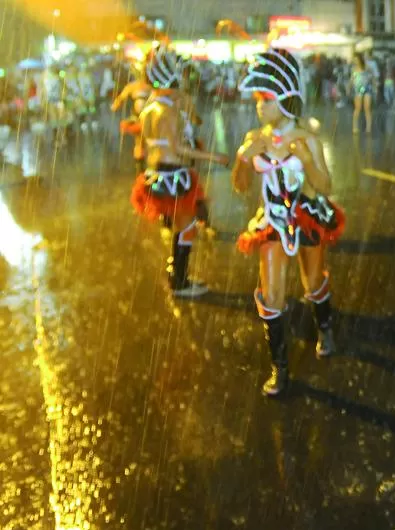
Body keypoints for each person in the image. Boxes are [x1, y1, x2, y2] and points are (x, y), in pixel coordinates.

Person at [234, 48, 346, 397]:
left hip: (306, 215)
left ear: (284, 99)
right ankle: (280, 368)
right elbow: (240, 186)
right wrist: (242, 160)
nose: (258, 105)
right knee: (272, 295)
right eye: (256, 99)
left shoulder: (306, 137)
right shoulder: (255, 139)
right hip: (271, 220)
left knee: (312, 282)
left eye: (264, 98)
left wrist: (305, 160)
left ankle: (324, 326)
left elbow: (325, 185)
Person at [129, 46, 229, 298]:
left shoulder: (150, 108)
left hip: (156, 173)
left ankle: (177, 275)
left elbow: (142, 147)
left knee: (181, 226)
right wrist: (214, 157)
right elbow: (179, 148)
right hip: (173, 174)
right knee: (186, 227)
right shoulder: (168, 110)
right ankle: (180, 283)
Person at [351, 54, 374, 133]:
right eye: (354, 60)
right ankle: (355, 127)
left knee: (367, 108)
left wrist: (374, 85)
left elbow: (372, 76)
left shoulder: (367, 67)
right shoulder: (354, 69)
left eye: (356, 59)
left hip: (367, 88)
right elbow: (352, 79)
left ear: (360, 59)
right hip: (358, 89)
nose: (355, 61)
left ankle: (368, 127)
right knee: (357, 108)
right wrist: (349, 86)